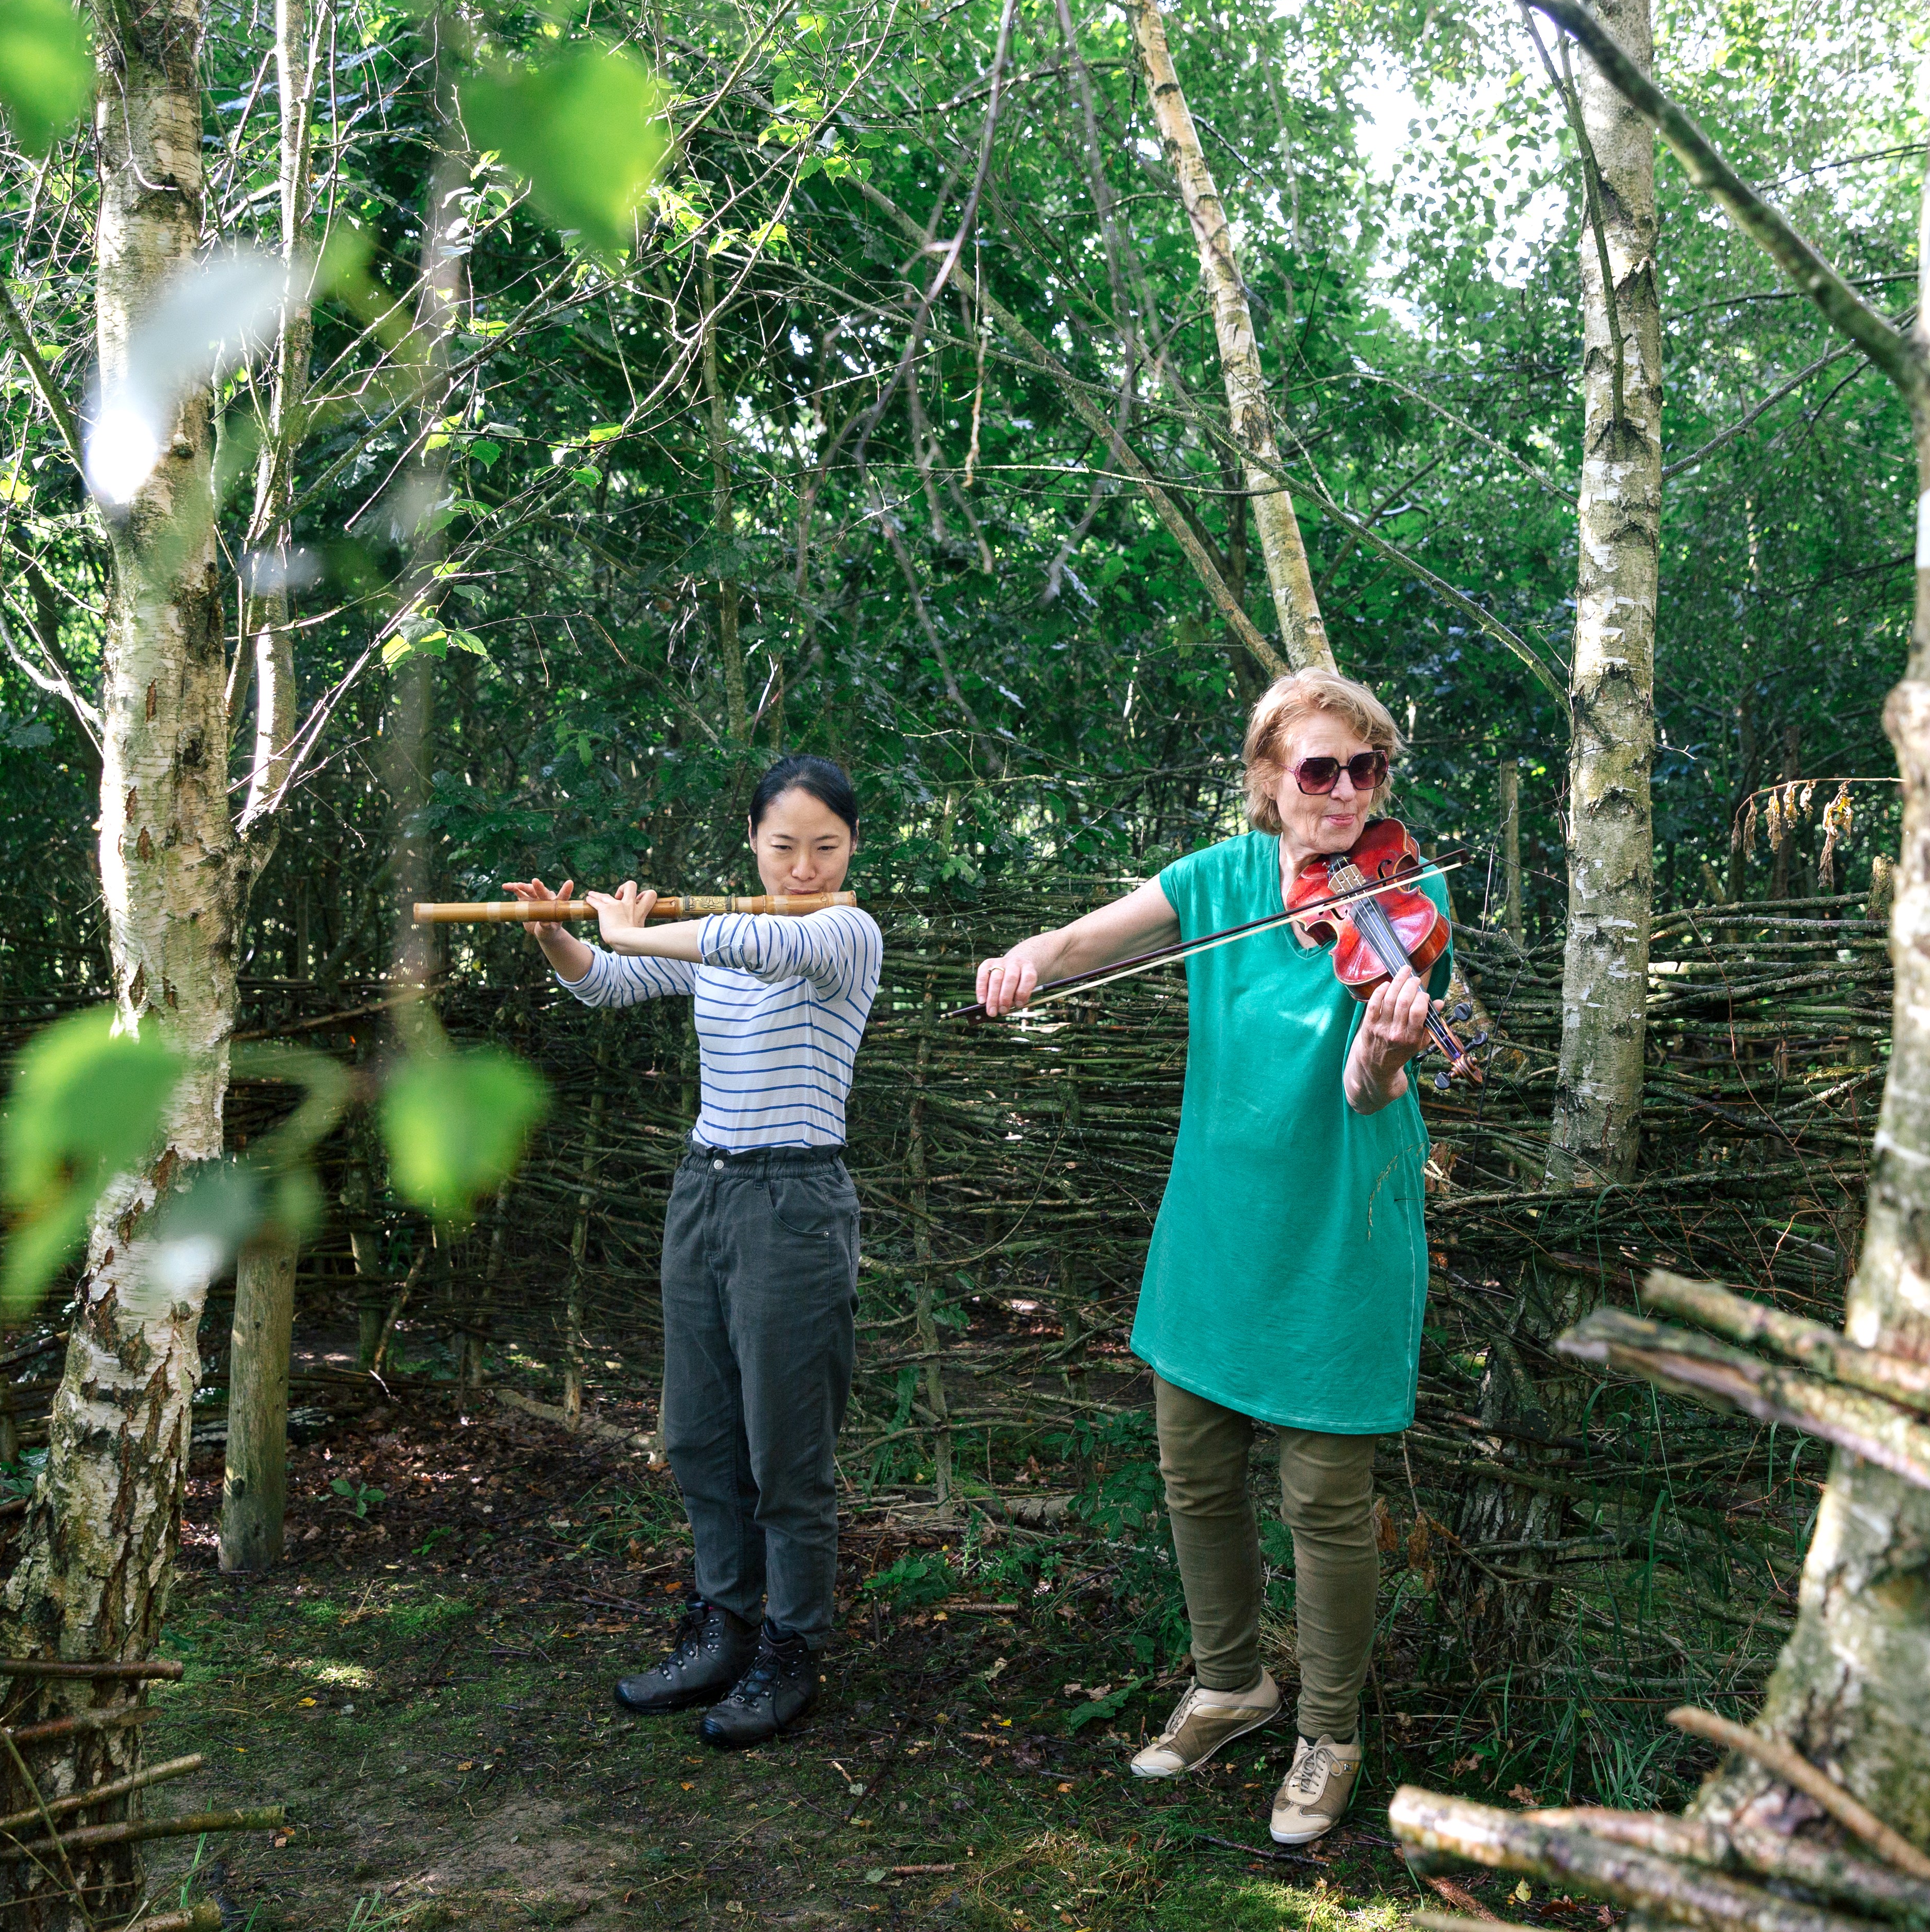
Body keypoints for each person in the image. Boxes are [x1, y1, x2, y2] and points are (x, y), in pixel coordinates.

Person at [974, 669, 1446, 1847]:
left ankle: (1327, 1732)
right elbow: (1095, 938)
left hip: (1338, 1224)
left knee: (1326, 1503)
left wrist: (1386, 1054)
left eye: (1365, 770)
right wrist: (1034, 953)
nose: (1344, 793)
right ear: (1268, 783)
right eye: (1318, 770)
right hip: (1217, 1225)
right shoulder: (1221, 880)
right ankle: (1231, 1683)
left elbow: (1363, 1089)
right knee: (1193, 1469)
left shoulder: (1404, 895)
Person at [505, 755, 882, 1751]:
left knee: (785, 1451)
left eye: (826, 847)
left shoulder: (847, 933)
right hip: (704, 1193)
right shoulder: (720, 940)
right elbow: (611, 983)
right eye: (783, 845)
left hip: (795, 1205)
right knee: (699, 1436)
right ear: (753, 843)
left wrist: (631, 924)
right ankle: (727, 1623)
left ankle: (792, 1646)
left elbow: (747, 944)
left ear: (852, 849)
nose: (803, 866)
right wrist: (562, 939)